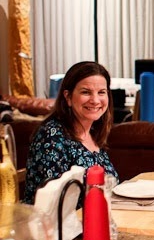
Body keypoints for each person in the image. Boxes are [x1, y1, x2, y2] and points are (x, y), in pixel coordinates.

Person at [24, 62, 119, 204]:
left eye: (101, 92)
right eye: (86, 92)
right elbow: (52, 202)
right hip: (58, 218)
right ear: (68, 97)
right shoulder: (51, 136)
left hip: (97, 214)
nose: (95, 100)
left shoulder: (93, 132)